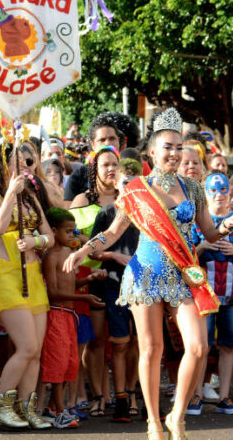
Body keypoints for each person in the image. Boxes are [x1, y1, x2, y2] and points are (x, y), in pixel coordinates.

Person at [64, 108, 233, 439]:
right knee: (151, 348)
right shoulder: (136, 188)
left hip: (181, 272)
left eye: (179, 147)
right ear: (151, 151)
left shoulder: (193, 187)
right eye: (168, 147)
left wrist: (227, 225)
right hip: (145, 272)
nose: (175, 154)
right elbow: (114, 233)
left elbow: (208, 233)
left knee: (198, 346)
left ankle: (176, 415)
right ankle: (152, 421)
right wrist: (82, 251)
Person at [0, 143, 54, 429]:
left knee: (36, 350)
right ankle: (0, 405)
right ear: (3, 165)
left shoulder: (32, 197)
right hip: (6, 276)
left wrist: (37, 241)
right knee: (26, 346)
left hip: (32, 275)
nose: (26, 165)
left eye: (29, 161)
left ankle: (27, 407)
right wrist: (11, 191)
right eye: (20, 161)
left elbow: (48, 233)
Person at [190, 171, 233, 415]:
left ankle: (224, 396)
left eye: (223, 189)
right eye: (213, 190)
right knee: (202, 345)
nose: (219, 195)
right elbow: (187, 256)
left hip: (231, 292)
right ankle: (196, 394)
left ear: (230, 191)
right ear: (205, 194)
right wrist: (203, 245)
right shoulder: (198, 222)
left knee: (228, 345)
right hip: (203, 293)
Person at [41, 208, 105, 429]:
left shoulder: (69, 254)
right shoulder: (50, 256)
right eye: (68, 232)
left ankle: (53, 409)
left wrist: (88, 278)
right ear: (54, 231)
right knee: (57, 364)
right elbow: (53, 293)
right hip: (56, 313)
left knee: (70, 363)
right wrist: (85, 297)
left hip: (70, 315)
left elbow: (69, 285)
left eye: (74, 231)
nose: (72, 236)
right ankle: (59, 411)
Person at [89, 157, 143, 423]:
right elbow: (95, 250)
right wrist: (113, 256)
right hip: (114, 284)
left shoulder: (148, 212)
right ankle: (120, 398)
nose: (130, 186)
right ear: (116, 184)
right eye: (125, 182)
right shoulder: (107, 213)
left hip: (145, 286)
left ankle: (134, 394)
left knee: (140, 343)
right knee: (119, 344)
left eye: (135, 181)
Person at [69, 145, 120, 417]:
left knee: (122, 340)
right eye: (105, 165)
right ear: (95, 169)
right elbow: (73, 239)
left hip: (123, 276)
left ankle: (118, 392)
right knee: (96, 340)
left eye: (115, 164)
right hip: (91, 277)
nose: (111, 169)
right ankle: (99, 393)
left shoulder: (128, 198)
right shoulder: (80, 200)